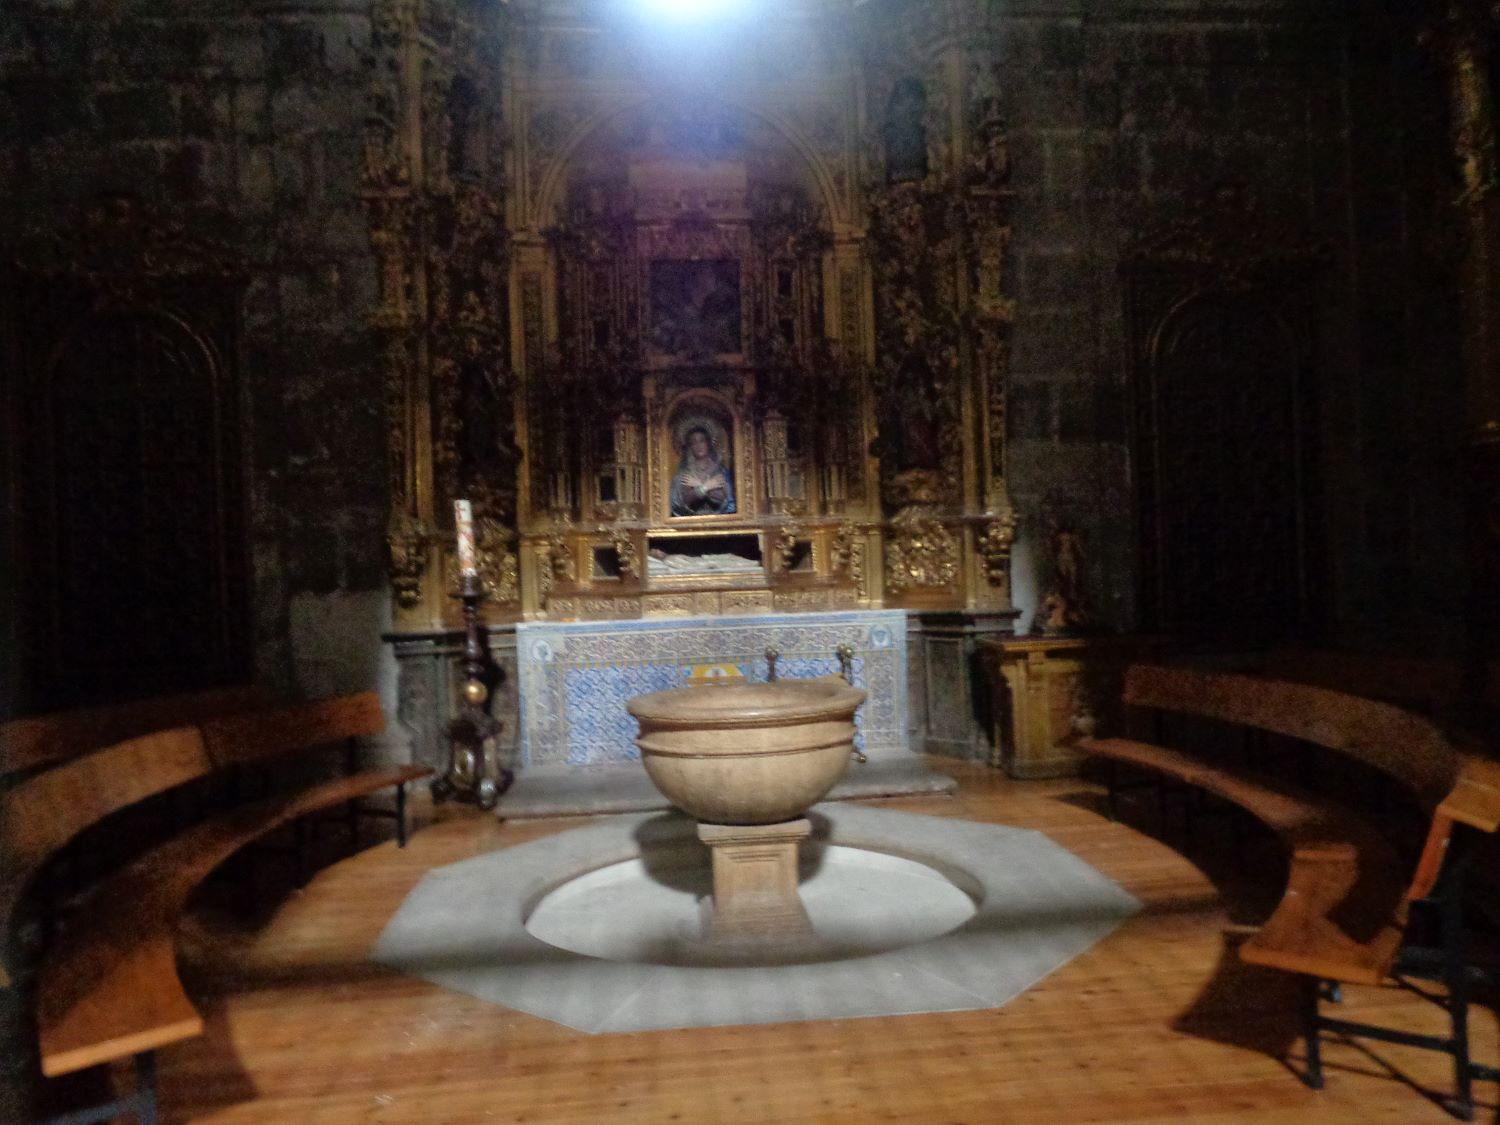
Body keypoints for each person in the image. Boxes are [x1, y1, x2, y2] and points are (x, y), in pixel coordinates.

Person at [670, 426, 735, 516]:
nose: (698, 445)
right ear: (689, 447)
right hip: (689, 524)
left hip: (719, 522)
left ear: (708, 443)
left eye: (702, 441)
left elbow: (725, 501)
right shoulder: (682, 476)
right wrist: (706, 487)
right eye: (694, 442)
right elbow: (678, 503)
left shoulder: (721, 472)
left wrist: (699, 486)